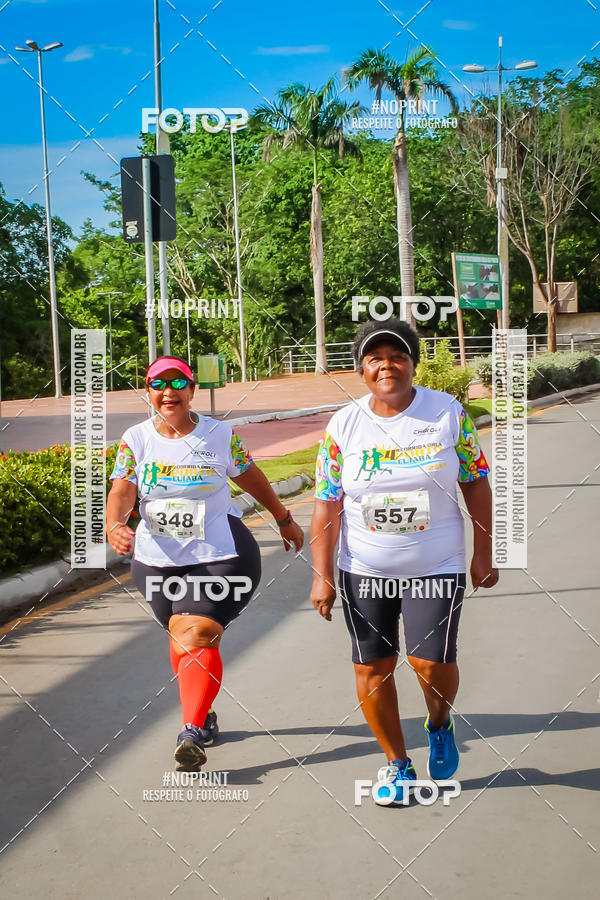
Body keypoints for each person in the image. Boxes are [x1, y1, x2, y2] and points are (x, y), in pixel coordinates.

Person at [310, 319, 498, 805]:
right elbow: (327, 504)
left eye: (397, 356)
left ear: (413, 365)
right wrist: (322, 574)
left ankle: (439, 722)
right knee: (372, 667)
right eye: (374, 358)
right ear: (361, 370)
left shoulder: (446, 413)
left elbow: (476, 482)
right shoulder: (343, 426)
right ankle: (397, 763)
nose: (386, 365)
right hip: (364, 568)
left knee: (430, 663)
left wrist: (484, 551)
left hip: (436, 563)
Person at [106, 355, 304, 771]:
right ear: (148, 392)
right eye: (158, 384)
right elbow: (123, 489)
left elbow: (249, 476)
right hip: (157, 558)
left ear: (192, 390)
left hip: (220, 552)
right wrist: (114, 524)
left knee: (196, 632)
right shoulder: (136, 438)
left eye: (178, 384)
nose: (169, 392)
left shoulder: (219, 435)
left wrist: (283, 516)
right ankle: (203, 711)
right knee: (180, 637)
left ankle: (191, 730)